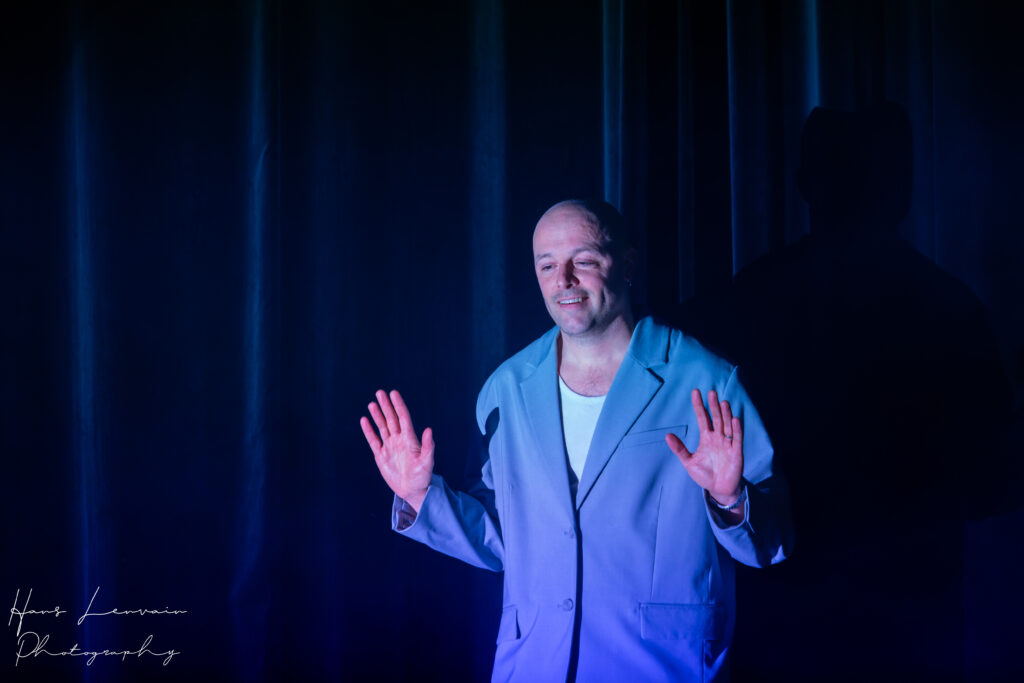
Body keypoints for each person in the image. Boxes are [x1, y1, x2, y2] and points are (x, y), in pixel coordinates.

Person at [360, 199, 793, 682]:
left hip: (658, 668)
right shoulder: (505, 392)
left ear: (626, 266)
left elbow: (772, 543)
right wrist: (422, 496)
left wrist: (731, 500)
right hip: (535, 667)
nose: (563, 280)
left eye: (583, 261)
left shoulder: (707, 380)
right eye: (547, 266)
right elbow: (503, 542)